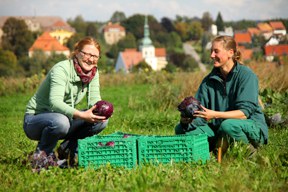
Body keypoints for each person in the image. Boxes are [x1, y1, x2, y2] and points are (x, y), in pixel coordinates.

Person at [175, 35, 268, 158]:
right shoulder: (208, 81)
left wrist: (214, 114)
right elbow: (201, 114)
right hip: (219, 130)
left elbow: (244, 113)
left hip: (250, 127)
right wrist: (186, 121)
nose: (212, 55)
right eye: (211, 51)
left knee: (228, 125)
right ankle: (209, 154)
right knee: (180, 129)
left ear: (230, 53)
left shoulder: (246, 76)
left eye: (216, 51)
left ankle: (250, 153)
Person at [23, 37, 108, 170]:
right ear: (77, 52)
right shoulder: (61, 69)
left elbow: (94, 101)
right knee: (61, 121)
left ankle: (66, 151)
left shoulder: (93, 72)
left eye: (95, 56)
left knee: (101, 121)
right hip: (35, 120)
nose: (91, 59)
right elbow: (55, 102)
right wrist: (81, 115)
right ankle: (41, 159)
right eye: (87, 54)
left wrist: (103, 110)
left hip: (64, 119)